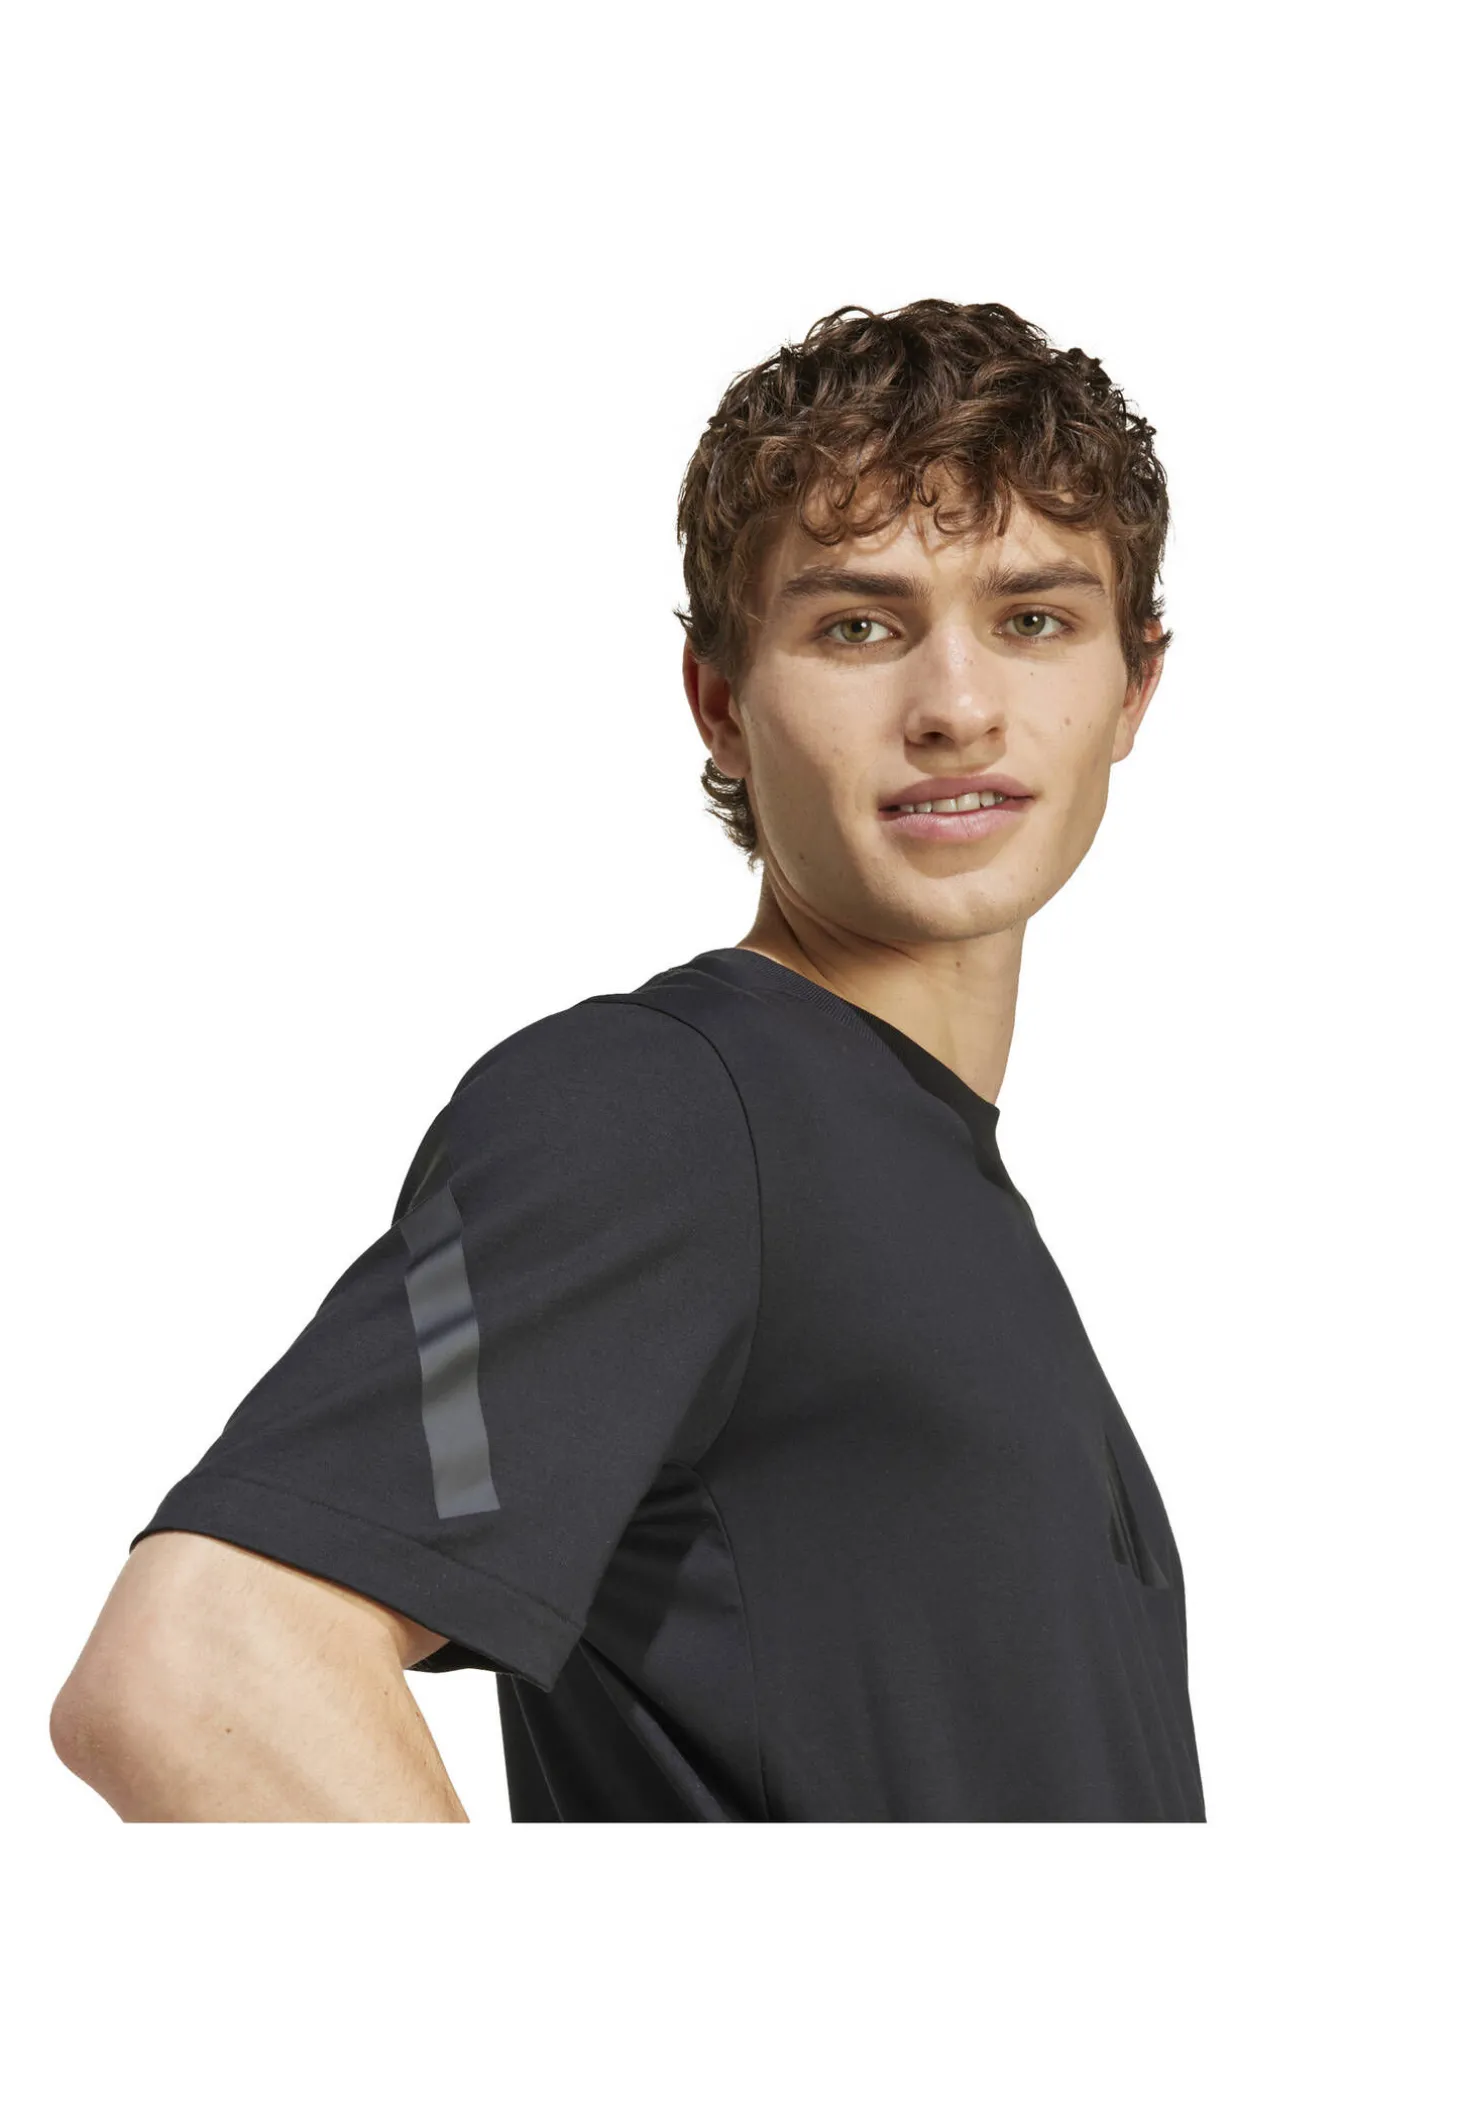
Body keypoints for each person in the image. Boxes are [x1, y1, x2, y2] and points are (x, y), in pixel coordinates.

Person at [50, 297, 1205, 1822]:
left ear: (1133, 689)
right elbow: (205, 1660)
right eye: (857, 627)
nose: (957, 707)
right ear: (722, 703)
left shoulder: (942, 1192)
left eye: (1034, 620)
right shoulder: (665, 1114)